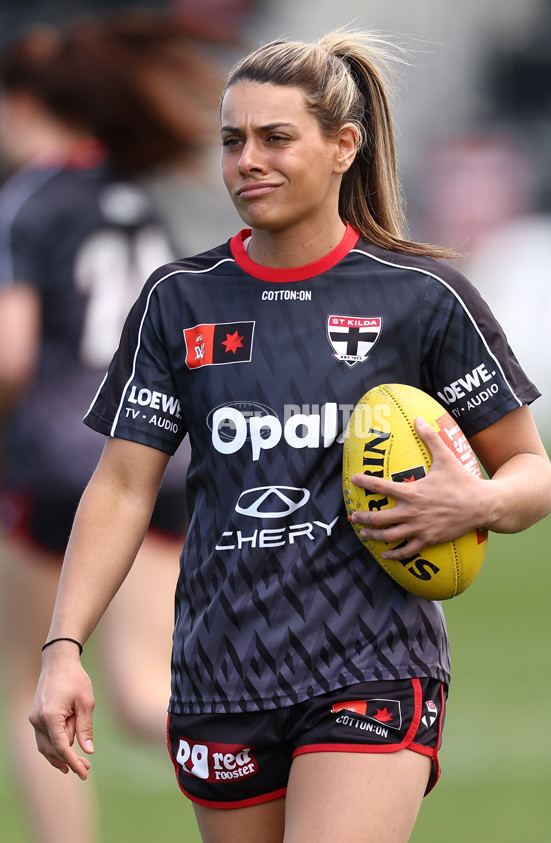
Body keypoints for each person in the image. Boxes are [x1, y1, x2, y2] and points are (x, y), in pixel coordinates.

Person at [28, 29, 551, 843]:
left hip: (374, 663)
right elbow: (123, 486)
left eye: (276, 138)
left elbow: (532, 472)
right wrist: (63, 647)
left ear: (344, 145)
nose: (248, 160)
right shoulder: (180, 300)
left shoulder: (423, 296)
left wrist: (476, 499)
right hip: (222, 668)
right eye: (233, 140)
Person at [0, 12, 234, 843]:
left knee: (32, 678)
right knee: (142, 689)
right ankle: (275, 751)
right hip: (158, 456)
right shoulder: (135, 197)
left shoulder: (29, 200)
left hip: (60, 465)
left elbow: (12, 355)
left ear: (25, 105)